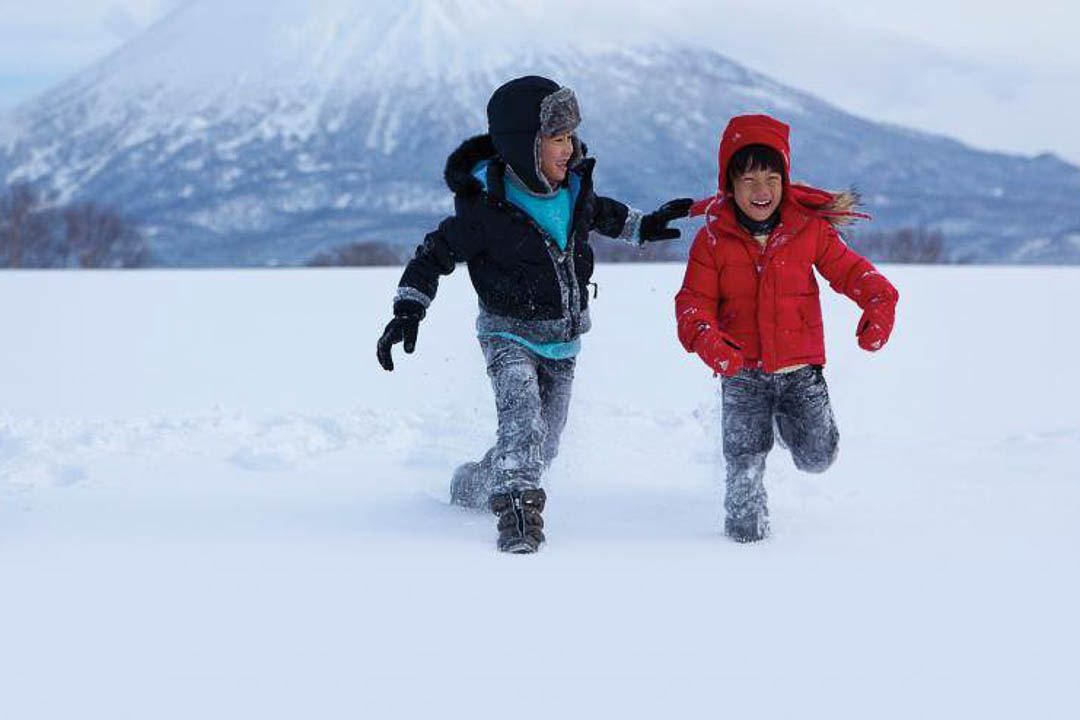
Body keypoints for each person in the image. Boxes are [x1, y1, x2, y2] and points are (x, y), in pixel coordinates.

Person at [377, 75, 692, 553]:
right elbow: (432, 255)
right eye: (556, 139)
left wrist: (643, 226)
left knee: (544, 444)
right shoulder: (484, 209)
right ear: (525, 145)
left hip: (563, 340)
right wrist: (408, 309)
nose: (569, 148)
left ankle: (481, 481)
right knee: (521, 419)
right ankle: (519, 513)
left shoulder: (574, 191)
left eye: (570, 136)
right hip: (508, 334)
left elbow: (604, 214)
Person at [674, 114, 899, 542]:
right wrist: (708, 340)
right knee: (743, 465)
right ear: (729, 185)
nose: (762, 190)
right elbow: (692, 305)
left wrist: (878, 304)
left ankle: (786, 427)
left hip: (800, 371)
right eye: (749, 179)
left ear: (785, 180)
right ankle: (746, 548)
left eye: (771, 177)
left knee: (818, 457)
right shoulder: (712, 241)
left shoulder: (807, 230)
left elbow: (855, 273)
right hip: (740, 371)